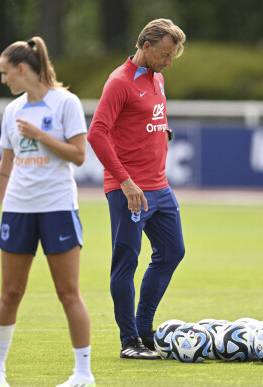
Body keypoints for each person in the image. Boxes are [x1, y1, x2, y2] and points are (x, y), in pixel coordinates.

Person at [0, 36, 95, 387]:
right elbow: (5, 167)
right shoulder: (11, 111)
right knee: (10, 292)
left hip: (58, 207)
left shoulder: (66, 102)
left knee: (68, 293)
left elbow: (79, 155)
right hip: (18, 210)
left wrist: (40, 135)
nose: (4, 80)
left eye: (6, 73)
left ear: (21, 69)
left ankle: (83, 374)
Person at [87, 19, 186, 359]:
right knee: (126, 261)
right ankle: (130, 341)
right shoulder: (119, 82)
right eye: (165, 54)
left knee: (173, 251)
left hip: (160, 186)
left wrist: (161, 133)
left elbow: (147, 120)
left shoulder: (158, 78)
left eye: (172, 56)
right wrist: (125, 181)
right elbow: (96, 133)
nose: (169, 62)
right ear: (145, 46)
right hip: (129, 189)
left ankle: (145, 329)